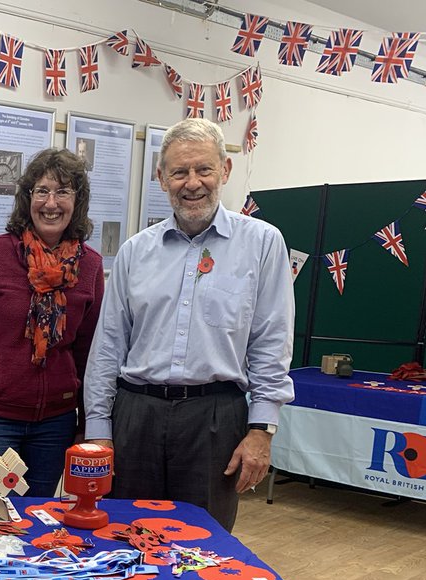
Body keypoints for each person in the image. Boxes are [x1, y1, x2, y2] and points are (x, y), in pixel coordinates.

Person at [82, 119, 294, 533]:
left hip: (215, 420)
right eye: (179, 172)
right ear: (161, 178)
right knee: (125, 536)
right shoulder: (134, 252)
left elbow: (272, 342)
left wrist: (261, 431)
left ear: (226, 171)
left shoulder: (264, 244)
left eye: (204, 169)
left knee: (203, 545)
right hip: (135, 418)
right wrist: (98, 430)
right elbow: (108, 347)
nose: (192, 183)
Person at [0, 148, 104, 499]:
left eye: (63, 192)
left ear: (78, 201)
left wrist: (85, 424)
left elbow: (88, 356)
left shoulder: (90, 267)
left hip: (56, 423)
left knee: (38, 519)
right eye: (41, 191)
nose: (51, 202)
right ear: (27, 198)